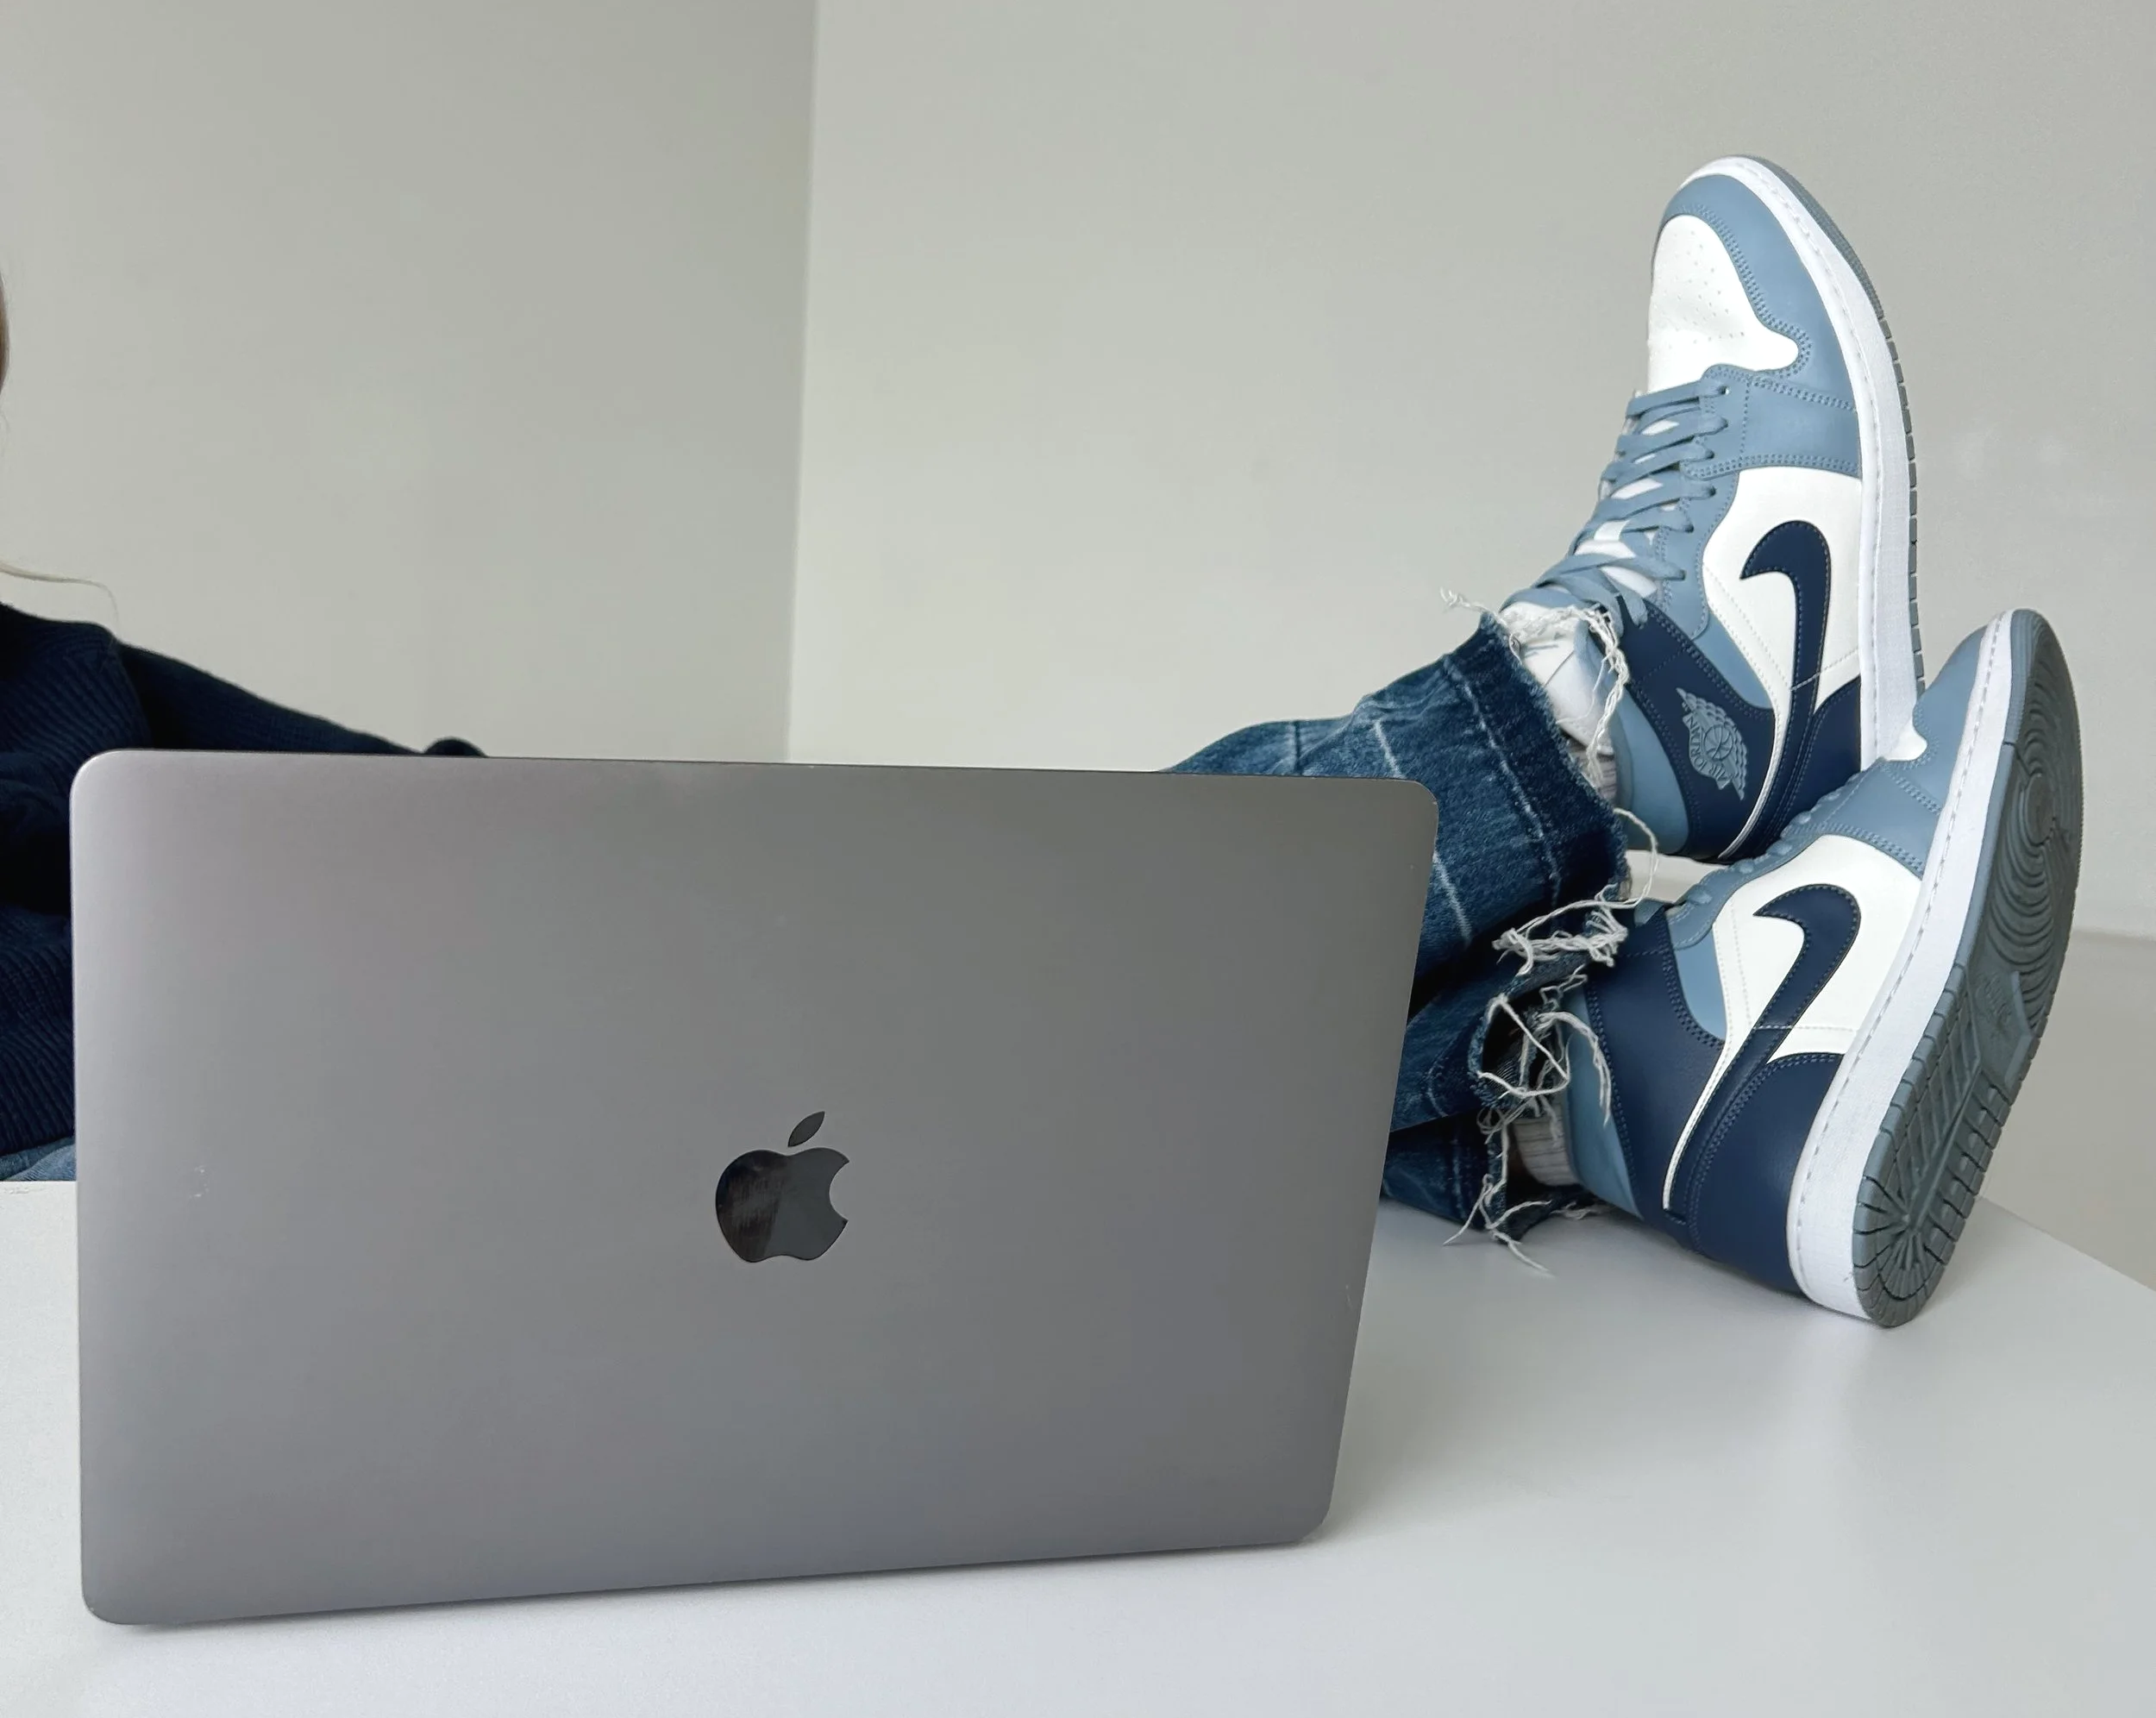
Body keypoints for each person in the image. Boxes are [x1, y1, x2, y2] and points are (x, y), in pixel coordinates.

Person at [0, 157, 2081, 1327]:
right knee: (643, 1029)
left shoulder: (59, 690)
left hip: (394, 1128)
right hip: (176, 1259)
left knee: (677, 947)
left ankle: (1604, 1079)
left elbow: (471, 859)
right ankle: (1609, 709)